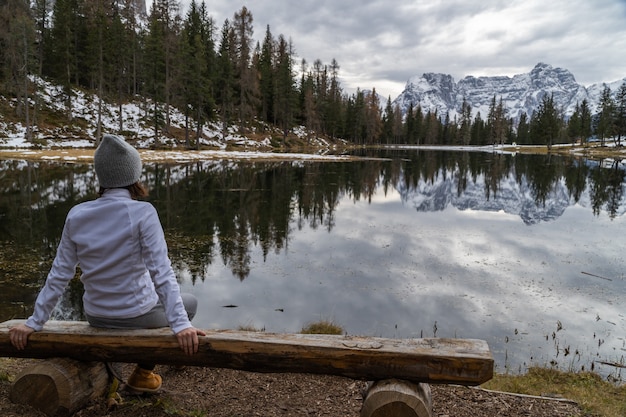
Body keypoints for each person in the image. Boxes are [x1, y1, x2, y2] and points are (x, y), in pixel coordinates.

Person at [9, 134, 206, 393]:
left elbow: (60, 274)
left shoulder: (76, 214)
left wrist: (34, 321)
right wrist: (181, 324)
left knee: (161, 298)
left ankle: (123, 371)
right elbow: (162, 272)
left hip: (96, 313)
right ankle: (143, 376)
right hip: (134, 314)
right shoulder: (144, 213)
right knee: (189, 302)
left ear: (101, 176)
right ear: (133, 175)